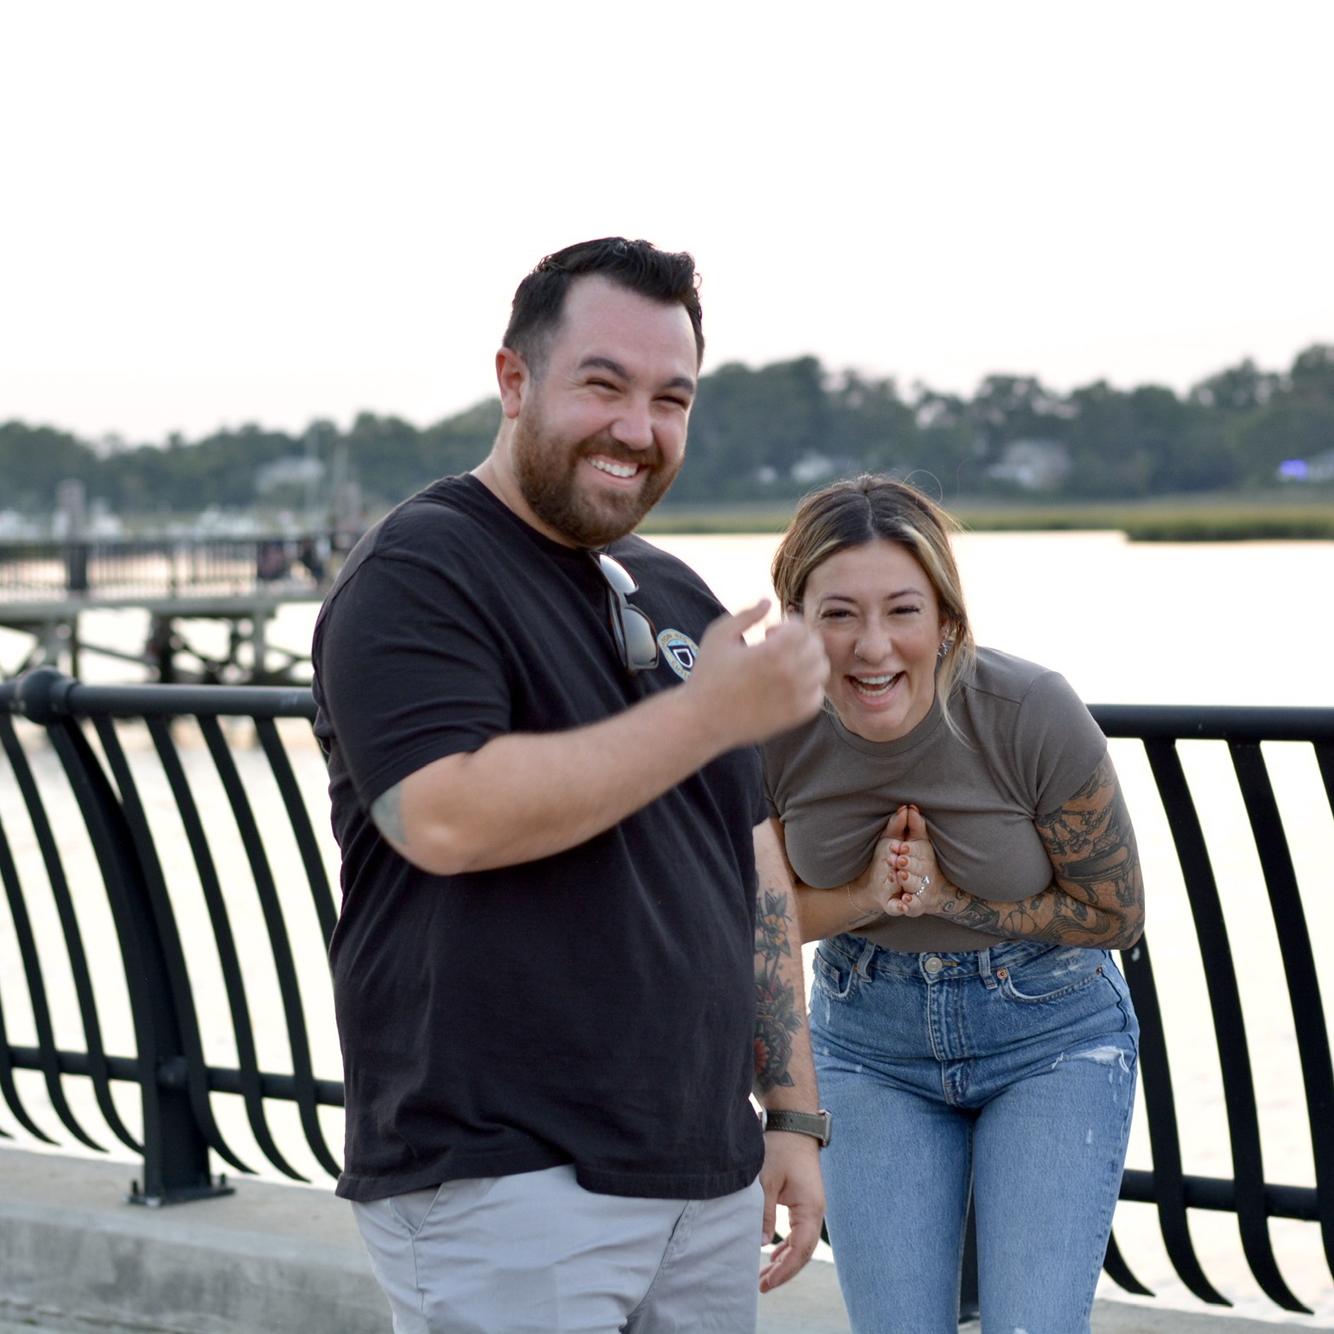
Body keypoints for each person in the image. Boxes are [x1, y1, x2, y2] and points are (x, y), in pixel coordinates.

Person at [311, 237, 830, 1333]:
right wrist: (707, 714)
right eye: (604, 384)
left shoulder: (675, 593)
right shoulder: (421, 568)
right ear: (514, 380)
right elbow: (443, 815)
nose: (637, 428)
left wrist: (789, 1112)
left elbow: (752, 867)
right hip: (504, 1174)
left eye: (670, 398)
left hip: (703, 1170)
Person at [762, 474, 1144, 1333]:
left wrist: (952, 899)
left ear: (946, 618)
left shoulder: (1029, 712)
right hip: (868, 1040)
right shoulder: (769, 732)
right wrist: (867, 895)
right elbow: (752, 923)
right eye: (838, 614)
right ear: (796, 619)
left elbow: (1116, 916)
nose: (872, 647)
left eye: (902, 610)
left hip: (1050, 1035)